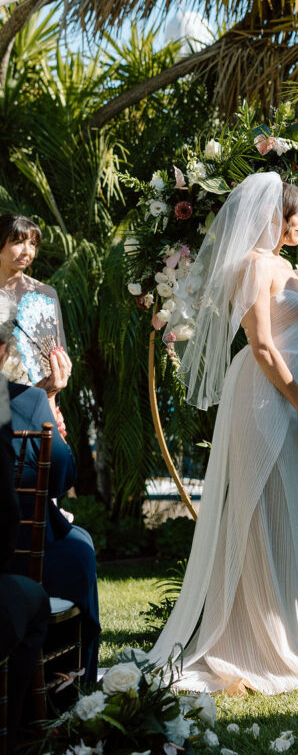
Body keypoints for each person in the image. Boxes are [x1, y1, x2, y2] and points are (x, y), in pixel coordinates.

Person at [149, 172, 298, 695]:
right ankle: (241, 643)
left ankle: (277, 632)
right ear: (272, 217)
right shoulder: (256, 266)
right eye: (296, 214)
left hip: (289, 393)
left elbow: (294, 342)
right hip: (259, 392)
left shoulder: (288, 266)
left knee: (278, 507)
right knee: (254, 507)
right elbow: (262, 344)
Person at [0, 294, 100, 682]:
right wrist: (50, 396)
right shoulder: (26, 400)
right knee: (79, 548)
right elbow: (59, 475)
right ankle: (72, 681)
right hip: (20, 557)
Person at [0, 319, 50, 755]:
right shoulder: (19, 400)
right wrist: (49, 396)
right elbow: (7, 516)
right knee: (33, 598)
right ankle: (13, 736)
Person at [0, 214, 71, 439]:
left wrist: (52, 393)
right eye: (17, 242)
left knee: (58, 461)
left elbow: (56, 352)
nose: (27, 251)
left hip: (38, 398)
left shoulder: (46, 294)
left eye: (32, 244)